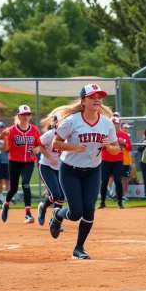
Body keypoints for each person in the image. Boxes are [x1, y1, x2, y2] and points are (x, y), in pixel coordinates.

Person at [49, 84, 120, 259]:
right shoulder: (72, 121)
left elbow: (116, 149)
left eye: (99, 97)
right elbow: (55, 143)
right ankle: (57, 214)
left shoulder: (106, 123)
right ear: (83, 101)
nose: (97, 100)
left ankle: (78, 248)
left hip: (93, 171)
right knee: (75, 214)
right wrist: (73, 146)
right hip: (70, 170)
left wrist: (108, 146)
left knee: (89, 210)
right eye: (92, 97)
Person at [1, 105, 41, 223]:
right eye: (23, 114)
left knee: (25, 183)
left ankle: (28, 213)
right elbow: (6, 149)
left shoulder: (34, 130)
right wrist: (5, 138)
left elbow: (39, 144)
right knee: (13, 188)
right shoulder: (12, 130)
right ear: (18, 115)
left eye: (28, 114)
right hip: (14, 162)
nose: (26, 116)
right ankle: (6, 204)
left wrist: (38, 149)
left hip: (28, 162)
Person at [37, 114, 65, 231]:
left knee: (62, 196)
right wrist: (49, 157)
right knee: (55, 194)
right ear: (55, 123)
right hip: (46, 166)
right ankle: (42, 208)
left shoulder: (69, 134)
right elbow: (40, 145)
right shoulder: (50, 134)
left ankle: (55, 221)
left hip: (60, 168)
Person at [98, 116, 132, 209]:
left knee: (118, 181)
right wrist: (111, 143)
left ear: (118, 125)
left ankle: (120, 202)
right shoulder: (104, 134)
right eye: (112, 123)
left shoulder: (124, 135)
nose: (113, 125)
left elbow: (129, 148)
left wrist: (124, 143)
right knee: (104, 181)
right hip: (105, 159)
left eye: (115, 124)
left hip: (118, 160)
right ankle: (102, 202)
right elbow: (100, 147)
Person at [121, 122, 132, 200]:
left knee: (125, 178)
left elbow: (130, 148)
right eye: (125, 127)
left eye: (127, 128)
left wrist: (124, 143)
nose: (126, 129)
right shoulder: (116, 135)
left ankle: (124, 194)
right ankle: (116, 194)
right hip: (119, 160)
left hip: (127, 160)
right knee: (118, 178)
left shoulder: (128, 136)